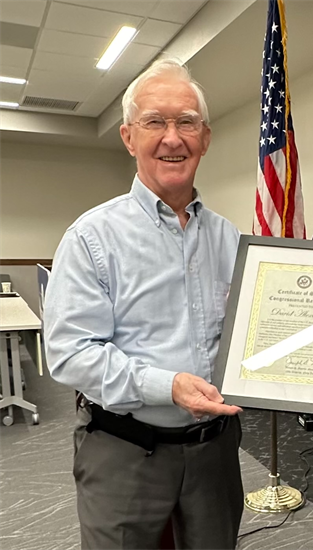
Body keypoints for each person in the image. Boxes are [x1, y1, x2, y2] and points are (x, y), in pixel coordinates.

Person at [44, 59, 244, 550]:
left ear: (206, 137)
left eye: (187, 122)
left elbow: (244, 336)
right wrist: (166, 385)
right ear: (129, 137)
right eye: (156, 121)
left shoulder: (229, 238)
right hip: (125, 451)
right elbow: (70, 352)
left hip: (214, 454)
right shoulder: (92, 237)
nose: (173, 138)